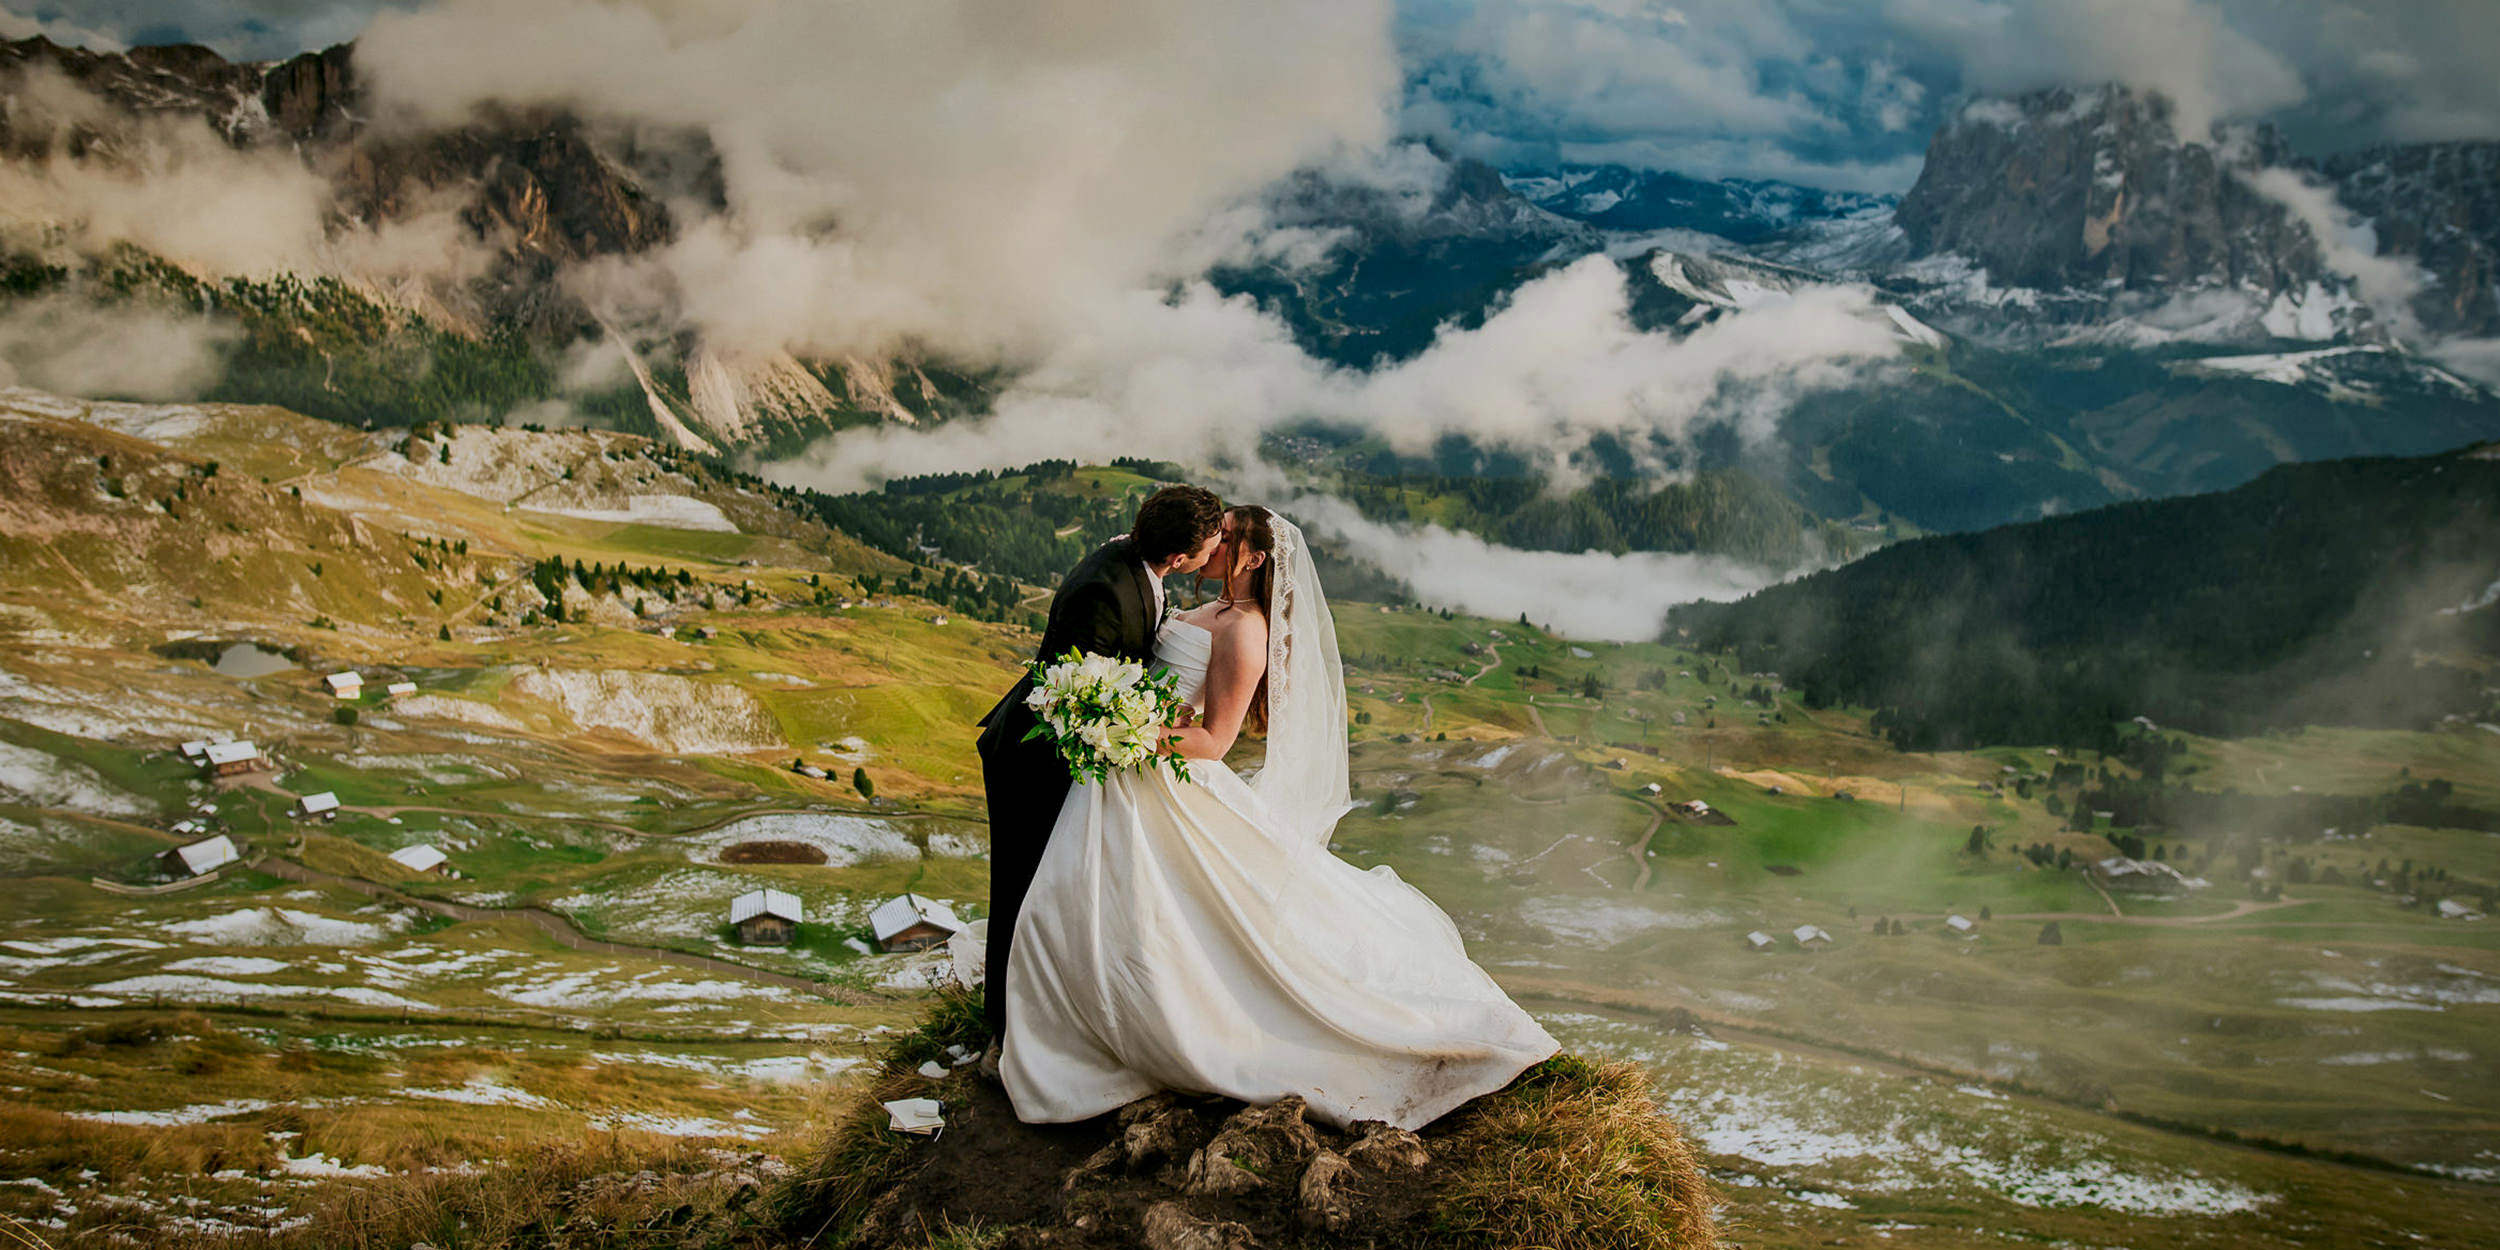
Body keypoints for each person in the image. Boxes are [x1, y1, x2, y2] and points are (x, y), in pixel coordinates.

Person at [999, 504, 1557, 1131]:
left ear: (1255, 559)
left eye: (1228, 538)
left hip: (1162, 776)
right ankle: (1068, 1009)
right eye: (1217, 533)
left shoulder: (1246, 632)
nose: (1214, 544)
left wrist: (1125, 733)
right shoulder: (1208, 608)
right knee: (1074, 901)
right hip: (1124, 774)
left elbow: (1214, 741)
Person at [975, 484, 1227, 1041]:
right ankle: (1004, 1026)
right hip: (1034, 754)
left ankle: (1054, 1007)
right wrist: (1140, 726)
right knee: (1022, 884)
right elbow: (1080, 694)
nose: (1215, 555)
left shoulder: (1137, 561)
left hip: (1074, 748)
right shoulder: (1103, 592)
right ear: (1180, 557)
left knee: (1058, 885)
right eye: (1210, 547)